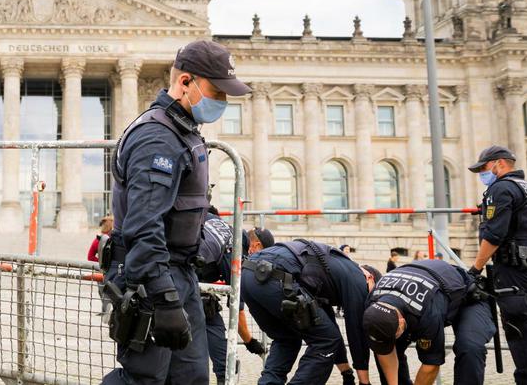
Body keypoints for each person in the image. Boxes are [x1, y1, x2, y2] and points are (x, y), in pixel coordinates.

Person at [101, 39, 251, 385]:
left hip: (179, 273)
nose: (222, 102)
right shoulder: (158, 137)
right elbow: (143, 224)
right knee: (145, 378)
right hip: (152, 278)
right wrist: (164, 296)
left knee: (191, 376)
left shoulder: (182, 131)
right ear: (186, 82)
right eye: (218, 91)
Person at [240, 238, 375, 385]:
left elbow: (329, 327)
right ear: (370, 277)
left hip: (248, 274)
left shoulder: (335, 271)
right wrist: (364, 382)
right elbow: (356, 334)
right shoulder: (359, 280)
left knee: (286, 338)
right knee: (325, 340)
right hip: (274, 276)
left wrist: (346, 372)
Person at [363, 259, 495, 385]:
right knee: (386, 343)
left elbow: (430, 366)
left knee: (470, 347)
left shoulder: (427, 312)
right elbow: (384, 351)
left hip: (468, 295)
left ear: (402, 323)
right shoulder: (372, 302)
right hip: (431, 287)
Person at [466, 145, 527, 384]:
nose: (483, 174)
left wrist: (475, 268)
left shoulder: (501, 188)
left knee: (520, 333)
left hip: (513, 274)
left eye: (484, 168)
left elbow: (494, 235)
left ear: (500, 164)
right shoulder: (526, 187)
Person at [197, 207, 270, 385]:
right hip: (187, 274)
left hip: (164, 259)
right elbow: (236, 308)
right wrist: (249, 341)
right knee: (210, 317)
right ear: (256, 247)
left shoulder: (219, 223)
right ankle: (224, 375)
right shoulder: (236, 251)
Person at [89, 216, 114, 315]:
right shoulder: (115, 239)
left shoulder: (97, 240)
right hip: (114, 269)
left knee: (102, 290)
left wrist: (101, 262)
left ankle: (105, 311)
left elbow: (90, 257)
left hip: (101, 270)